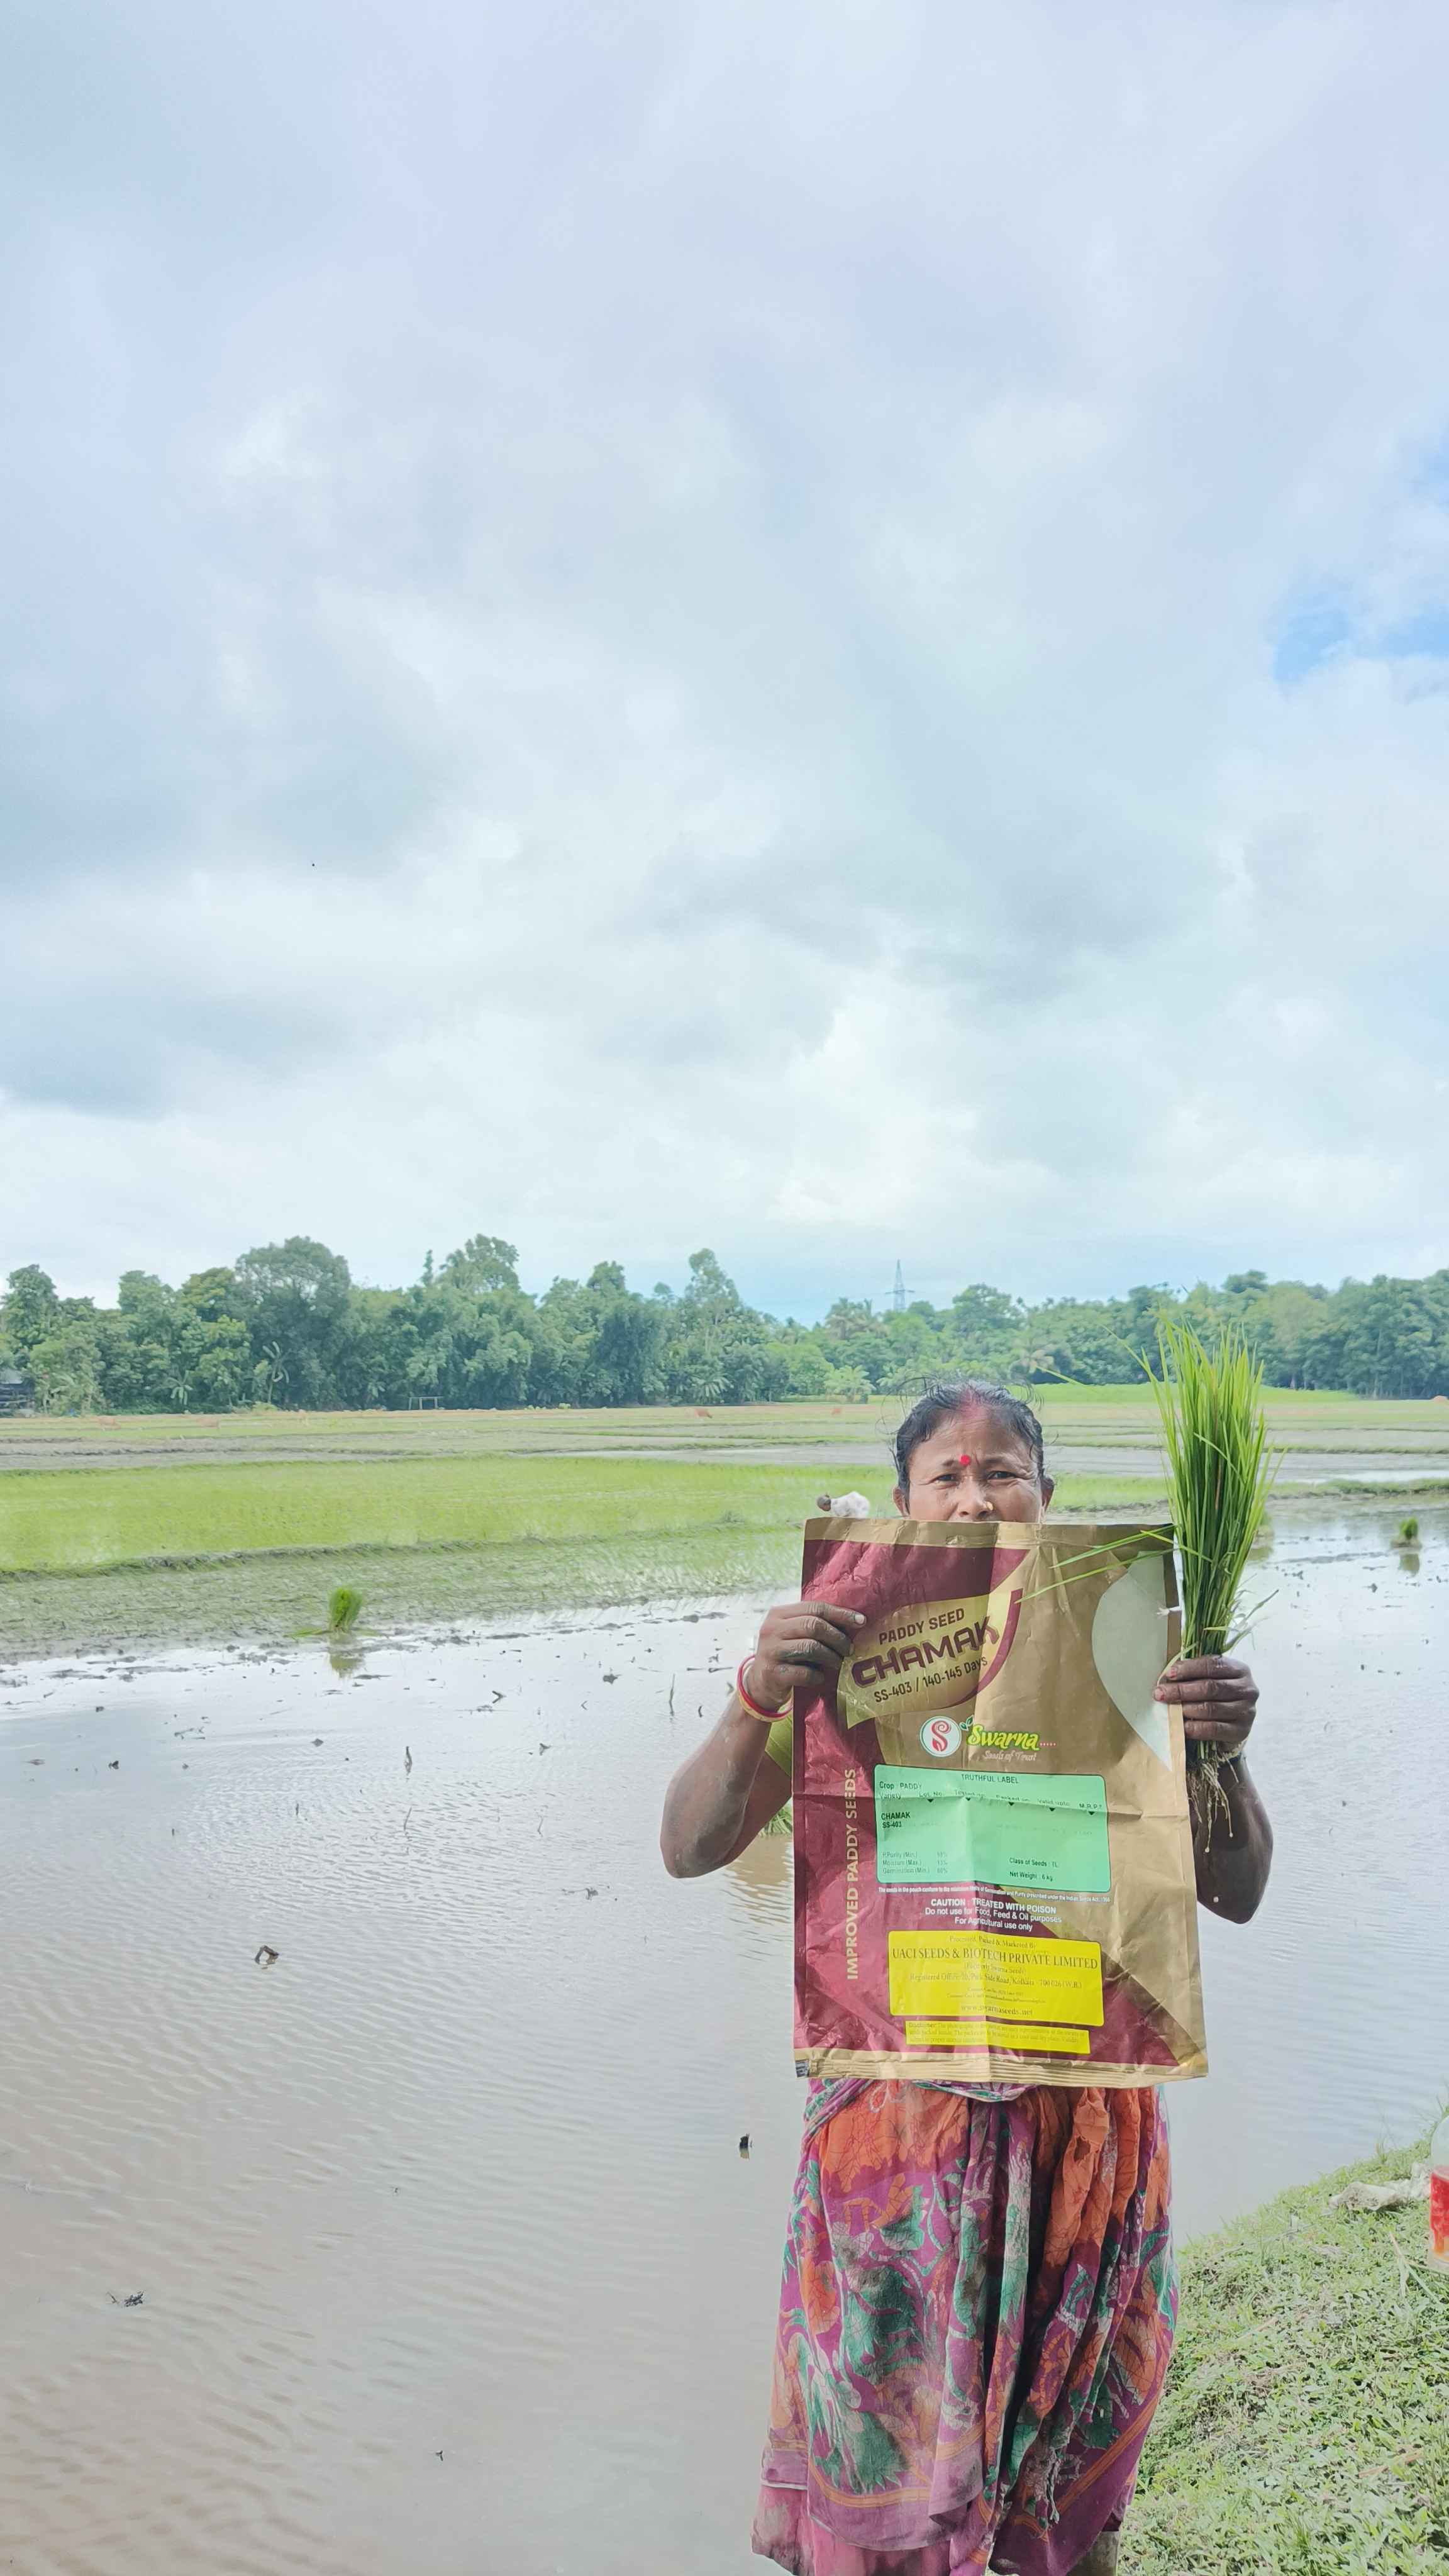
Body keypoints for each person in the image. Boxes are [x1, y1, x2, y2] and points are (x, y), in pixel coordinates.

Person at [660, 1380, 1272, 2576]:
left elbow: (1235, 1891)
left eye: (1004, 1473)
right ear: (903, 1503)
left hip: (1085, 2133)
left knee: (1068, 2485)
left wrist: (1223, 1757)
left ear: (1048, 1498)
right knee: (884, 2469)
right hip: (895, 2136)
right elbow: (689, 1847)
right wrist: (754, 1696)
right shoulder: (844, 1658)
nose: (977, 1497)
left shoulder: (1124, 1659)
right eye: (946, 1475)